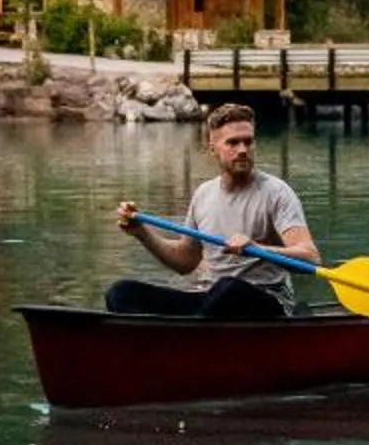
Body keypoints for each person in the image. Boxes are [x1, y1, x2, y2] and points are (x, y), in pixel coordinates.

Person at [108, 102, 319, 321]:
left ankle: (186, 337)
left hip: (266, 300)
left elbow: (310, 257)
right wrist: (142, 233)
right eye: (233, 143)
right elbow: (185, 262)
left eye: (248, 142)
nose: (243, 150)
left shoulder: (277, 193)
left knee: (228, 289)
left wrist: (258, 248)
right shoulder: (203, 194)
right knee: (122, 292)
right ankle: (171, 339)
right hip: (210, 300)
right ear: (212, 148)